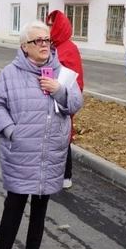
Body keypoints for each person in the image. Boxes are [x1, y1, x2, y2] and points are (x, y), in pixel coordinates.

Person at [0, 20, 83, 249]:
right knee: (14, 204)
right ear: (24, 46)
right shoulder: (10, 73)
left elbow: (74, 104)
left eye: (47, 40)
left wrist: (59, 90)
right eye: (37, 41)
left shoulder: (62, 73)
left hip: (49, 152)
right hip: (21, 150)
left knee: (41, 205)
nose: (44, 45)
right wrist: (10, 131)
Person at [45, 10, 85, 189]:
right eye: (48, 24)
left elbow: (76, 78)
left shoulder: (69, 48)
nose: (49, 27)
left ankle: (66, 174)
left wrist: (65, 96)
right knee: (49, 134)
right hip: (46, 96)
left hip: (62, 99)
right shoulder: (48, 45)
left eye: (52, 24)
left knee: (63, 137)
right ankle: (51, 171)